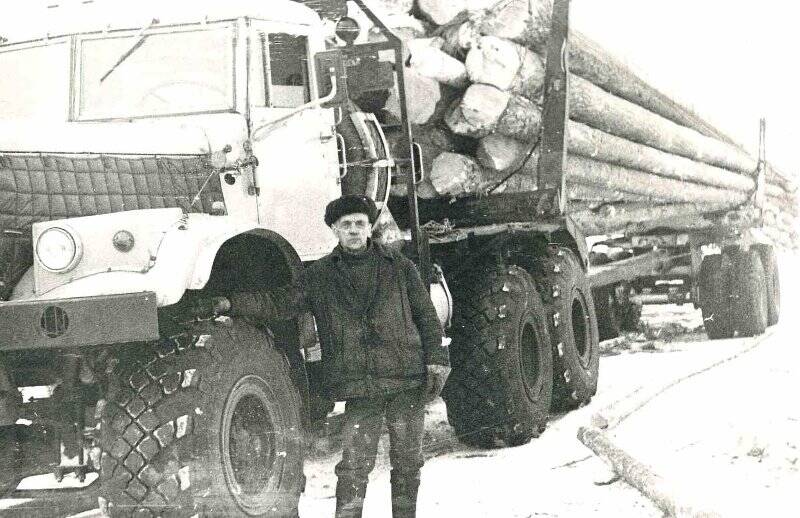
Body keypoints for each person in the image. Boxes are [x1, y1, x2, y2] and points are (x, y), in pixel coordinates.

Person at [211, 195, 450, 518]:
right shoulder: (320, 275)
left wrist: (438, 359)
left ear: (370, 229)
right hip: (359, 388)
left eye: (360, 224)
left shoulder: (399, 268)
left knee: (408, 464)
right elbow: (279, 303)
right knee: (353, 468)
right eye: (346, 225)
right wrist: (231, 304)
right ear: (335, 230)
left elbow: (426, 316)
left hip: (405, 381)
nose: (354, 231)